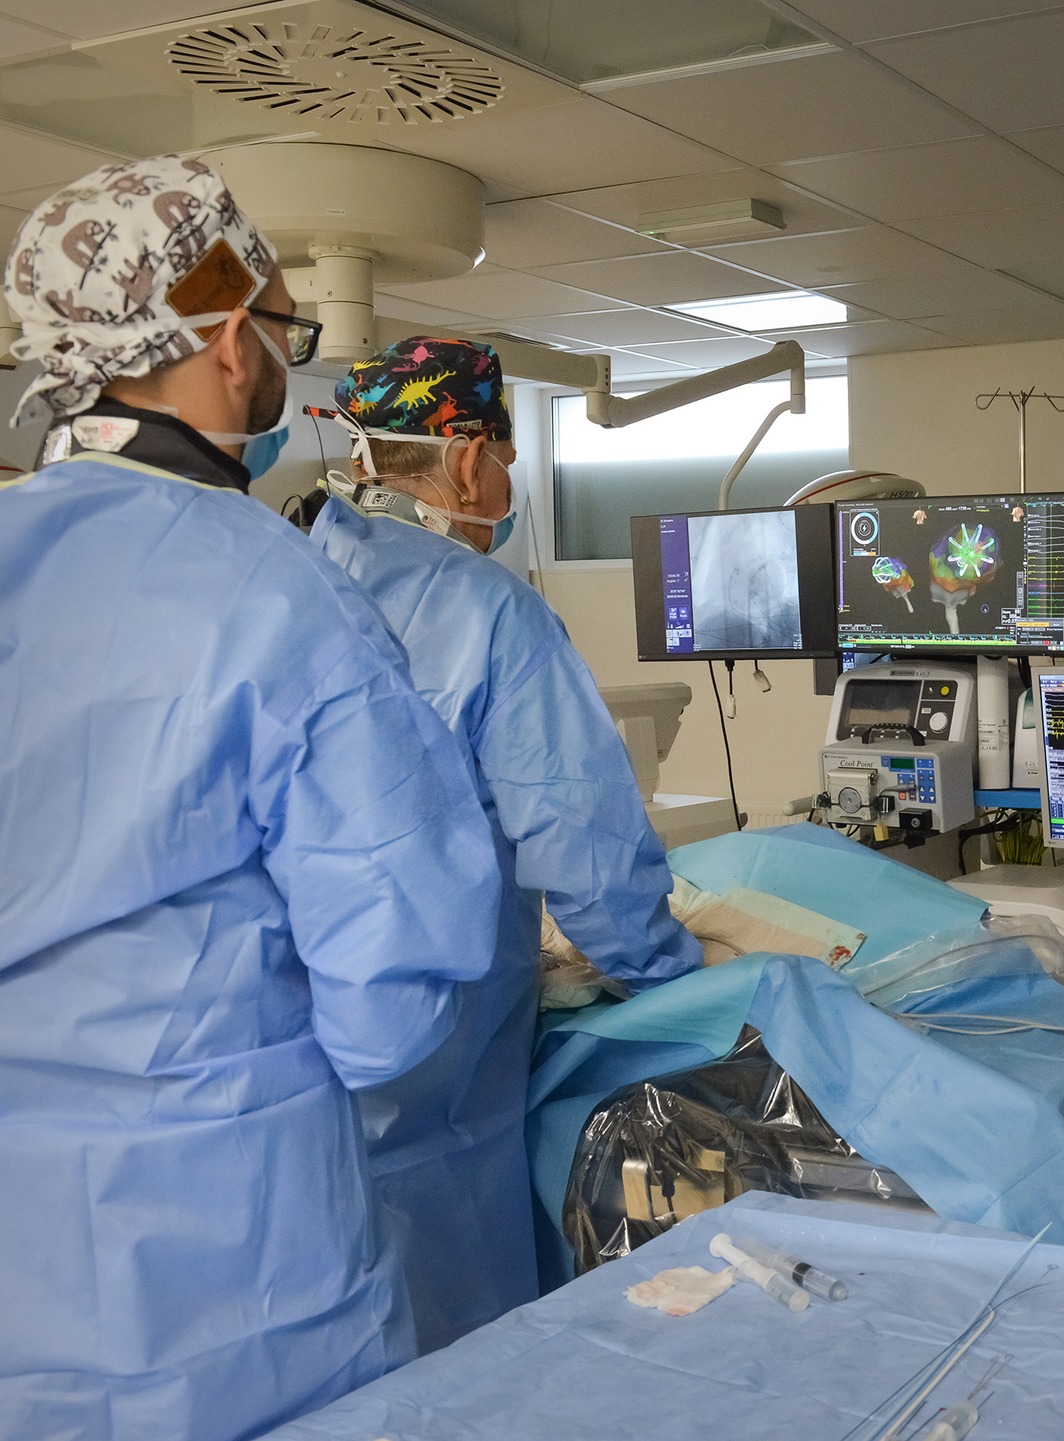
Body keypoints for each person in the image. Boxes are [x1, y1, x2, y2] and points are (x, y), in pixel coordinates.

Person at [0, 159, 504, 1441]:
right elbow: (393, 988)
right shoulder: (277, 592)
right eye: (287, 326)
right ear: (231, 341)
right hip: (231, 1262)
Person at [309, 336, 704, 1351]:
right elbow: (581, 840)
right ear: (467, 457)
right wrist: (671, 979)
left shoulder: (289, 580)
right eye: (507, 455)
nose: (508, 481)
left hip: (294, 1044)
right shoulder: (489, 611)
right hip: (430, 1060)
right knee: (453, 1343)